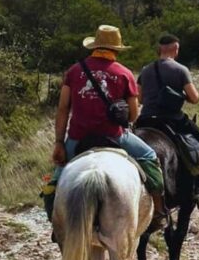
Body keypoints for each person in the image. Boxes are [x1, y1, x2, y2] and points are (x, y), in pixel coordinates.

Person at [42, 25, 165, 226]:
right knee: (150, 156)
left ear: (95, 46)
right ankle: (159, 212)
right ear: (116, 49)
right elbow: (133, 115)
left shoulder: (74, 71)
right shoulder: (124, 73)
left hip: (78, 137)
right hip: (115, 136)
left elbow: (63, 108)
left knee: (54, 181)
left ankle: (55, 223)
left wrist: (58, 142)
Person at [136, 34, 199, 198]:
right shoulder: (180, 69)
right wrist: (181, 96)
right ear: (175, 48)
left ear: (160, 49)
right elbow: (195, 98)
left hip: (146, 119)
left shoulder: (145, 70)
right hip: (172, 119)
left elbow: (140, 98)